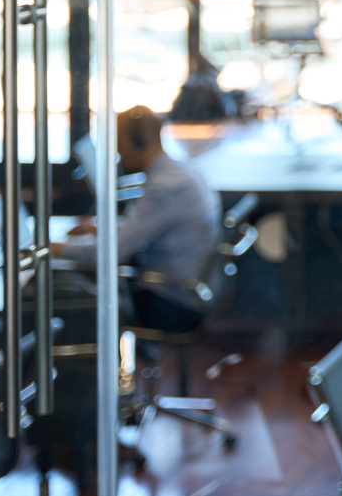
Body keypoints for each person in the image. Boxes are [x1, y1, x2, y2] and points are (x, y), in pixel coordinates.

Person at [54, 105, 222, 332]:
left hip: (168, 302)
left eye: (119, 142)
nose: (117, 152)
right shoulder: (179, 171)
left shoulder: (166, 187)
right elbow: (144, 228)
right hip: (180, 289)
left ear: (139, 141)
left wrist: (56, 248)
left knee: (64, 296)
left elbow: (114, 251)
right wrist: (99, 228)